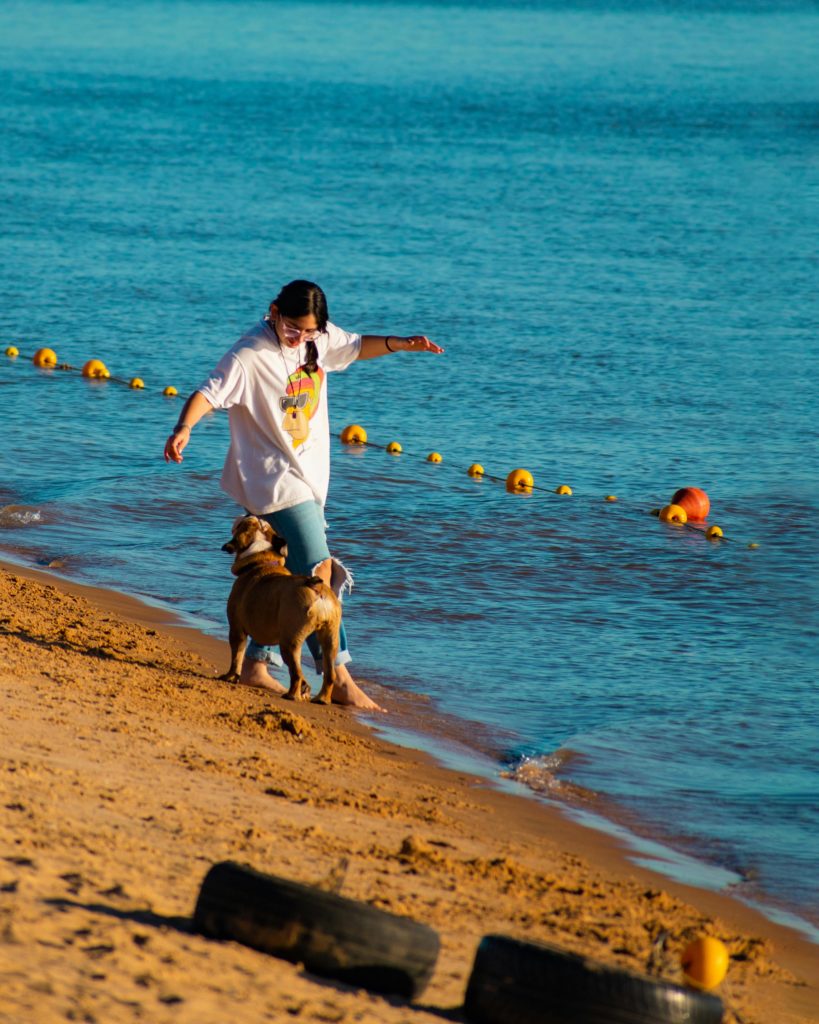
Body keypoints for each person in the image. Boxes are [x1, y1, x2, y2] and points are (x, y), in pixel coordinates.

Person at [164, 279, 444, 710]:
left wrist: (400, 344)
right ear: (274, 311)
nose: (300, 338)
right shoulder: (250, 354)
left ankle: (257, 664)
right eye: (292, 328)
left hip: (308, 479)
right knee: (319, 571)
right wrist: (184, 428)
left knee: (279, 575)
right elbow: (209, 391)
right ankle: (339, 677)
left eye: (309, 332)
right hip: (272, 480)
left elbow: (354, 346)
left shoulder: (317, 340)